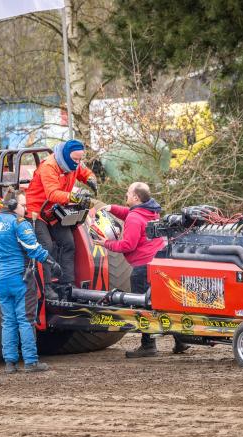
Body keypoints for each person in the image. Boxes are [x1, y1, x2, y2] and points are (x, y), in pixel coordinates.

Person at [0, 188, 62, 373]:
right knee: (25, 320)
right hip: (20, 281)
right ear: (13, 205)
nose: (25, 208)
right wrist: (52, 262)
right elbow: (33, 248)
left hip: (2, 281)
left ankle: (10, 363)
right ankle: (31, 362)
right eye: (23, 205)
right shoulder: (19, 224)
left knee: (8, 321)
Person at [93, 182, 190, 358]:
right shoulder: (151, 211)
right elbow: (130, 213)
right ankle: (181, 339)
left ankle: (148, 345)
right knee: (163, 303)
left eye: (129, 193)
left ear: (136, 198)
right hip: (158, 262)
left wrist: (105, 243)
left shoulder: (134, 218)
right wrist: (111, 208)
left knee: (143, 306)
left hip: (142, 268)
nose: (126, 195)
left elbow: (128, 245)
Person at [25, 139, 97, 298]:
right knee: (46, 246)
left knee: (68, 243)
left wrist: (91, 178)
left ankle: (67, 284)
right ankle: (47, 286)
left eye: (80, 159)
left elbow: (84, 171)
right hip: (37, 211)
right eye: (75, 159)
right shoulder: (49, 166)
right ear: (66, 155)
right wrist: (75, 197)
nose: (78, 163)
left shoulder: (73, 163)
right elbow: (52, 193)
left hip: (54, 211)